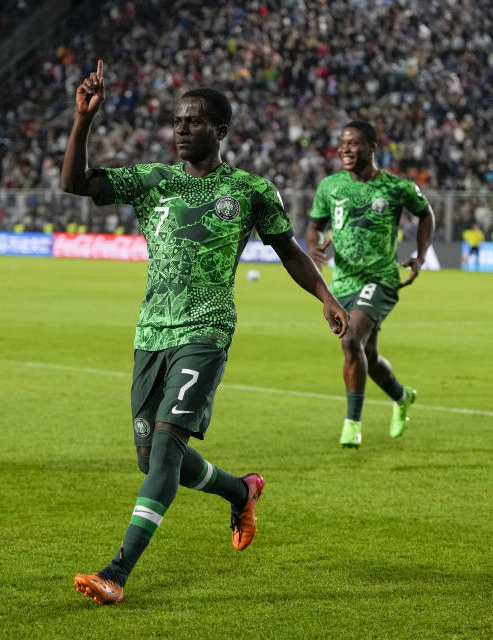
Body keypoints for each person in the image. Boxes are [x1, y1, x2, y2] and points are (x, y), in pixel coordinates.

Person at [61, 61, 348, 606]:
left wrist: (327, 298)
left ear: (219, 131)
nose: (181, 129)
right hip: (152, 333)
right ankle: (241, 491)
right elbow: (74, 182)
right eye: (177, 121)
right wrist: (83, 120)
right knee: (152, 460)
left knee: (166, 454)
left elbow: (289, 250)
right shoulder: (154, 181)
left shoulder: (249, 190)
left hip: (206, 331)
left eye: (193, 121)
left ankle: (117, 571)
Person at [305, 121, 435, 448]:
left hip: (381, 279)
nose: (345, 149)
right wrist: (314, 246)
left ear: (372, 147)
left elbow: (426, 214)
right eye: (342, 143)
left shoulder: (396, 187)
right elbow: (314, 227)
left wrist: (420, 256)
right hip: (343, 281)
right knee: (369, 357)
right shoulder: (330, 187)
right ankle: (403, 398)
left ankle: (352, 423)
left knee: (350, 341)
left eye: (354, 143)